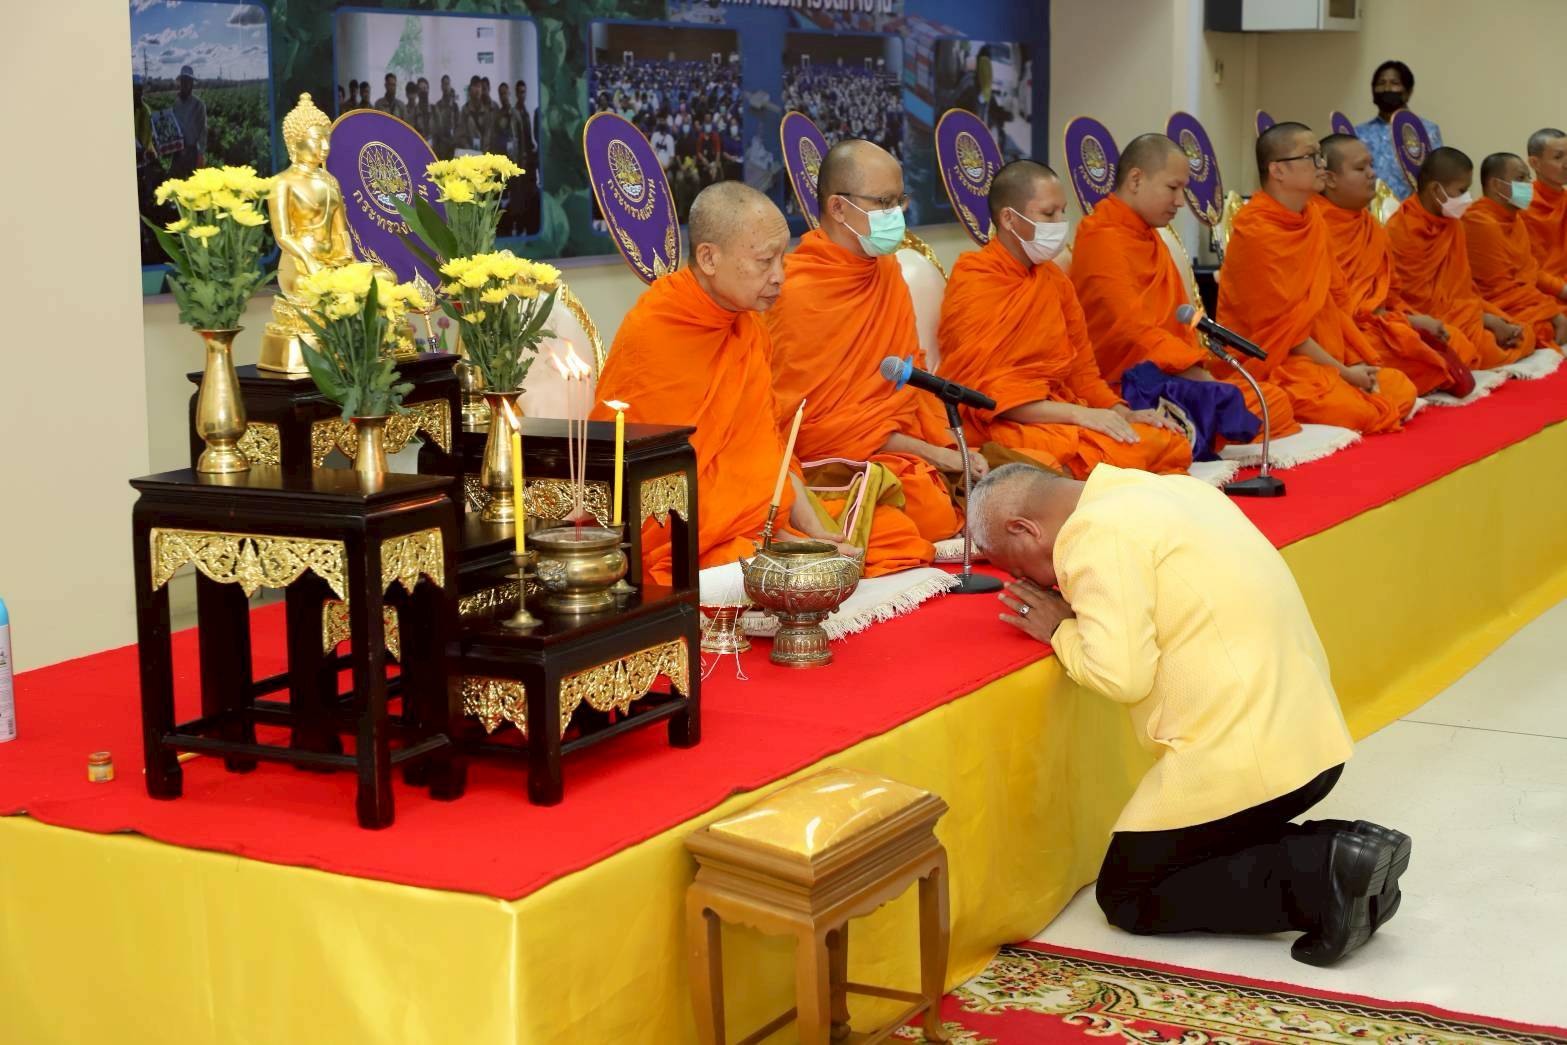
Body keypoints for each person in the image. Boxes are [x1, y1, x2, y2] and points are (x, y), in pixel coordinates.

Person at [968, 462, 1411, 967]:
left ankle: (1323, 869)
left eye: (1015, 567)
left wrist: (1058, 630)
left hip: (1245, 760)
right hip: (1312, 742)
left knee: (1130, 893)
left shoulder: (1094, 531)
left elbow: (1121, 676)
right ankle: (1358, 850)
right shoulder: (1176, 490)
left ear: (1025, 528)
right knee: (1198, 851)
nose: (1023, 580)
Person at [589, 183, 846, 584]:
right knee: (771, 571)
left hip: (751, 524)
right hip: (682, 537)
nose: (780, 277)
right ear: (709, 258)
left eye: (782, 258)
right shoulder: (655, 332)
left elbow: (767, 448)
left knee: (848, 552)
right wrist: (758, 530)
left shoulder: (748, 326)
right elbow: (643, 484)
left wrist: (812, 533)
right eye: (764, 261)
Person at [763, 139, 968, 576]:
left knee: (948, 504)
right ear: (838, 208)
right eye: (884, 203)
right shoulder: (795, 292)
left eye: (900, 201)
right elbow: (805, 430)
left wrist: (945, 448)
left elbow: (912, 379)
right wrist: (931, 455)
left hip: (894, 449)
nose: (898, 215)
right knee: (917, 524)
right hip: (829, 465)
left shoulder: (887, 273)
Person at [936, 160, 1192, 478]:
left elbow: (1082, 371)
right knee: (1088, 454)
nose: (1060, 224)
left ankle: (1072, 478)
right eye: (1048, 214)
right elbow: (985, 397)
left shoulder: (1054, 280)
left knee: (1166, 441)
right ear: (1009, 219)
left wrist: (1121, 413)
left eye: (1063, 212)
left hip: (1056, 415)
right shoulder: (976, 278)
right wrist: (1079, 416)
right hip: (998, 423)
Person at [1070, 133, 1297, 439]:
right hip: (1129, 386)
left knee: (1274, 400)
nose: (1180, 201)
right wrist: (1202, 378)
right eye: (1172, 188)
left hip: (1174, 375)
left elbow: (1178, 321)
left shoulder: (1148, 236)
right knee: (1246, 408)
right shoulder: (1101, 238)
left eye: (1183, 190)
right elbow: (1131, 332)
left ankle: (1208, 425)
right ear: (1136, 180)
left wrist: (1204, 375)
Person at [1216, 122, 1417, 434]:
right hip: (1278, 362)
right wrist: (1345, 374)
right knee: (1359, 411)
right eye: (1311, 156)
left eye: (1320, 156)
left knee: (1401, 388)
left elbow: (1335, 304)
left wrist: (1354, 359)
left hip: (1325, 354)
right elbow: (1287, 334)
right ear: (1278, 171)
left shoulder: (1312, 220)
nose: (1322, 164)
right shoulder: (1257, 231)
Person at [1315, 133, 1474, 397]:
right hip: (1343, 338)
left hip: (1379, 326)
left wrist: (1409, 320)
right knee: (1409, 364)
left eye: (1371, 165)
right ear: (1330, 179)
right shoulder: (1314, 227)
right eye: (1360, 168)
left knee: (1456, 342)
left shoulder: (1371, 227)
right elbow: (1327, 313)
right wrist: (1408, 323)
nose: (1372, 174)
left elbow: (1390, 298)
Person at [1386, 147, 1534, 369]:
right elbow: (1417, 303)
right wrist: (1487, 321)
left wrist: (1492, 318)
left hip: (1465, 312)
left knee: (1523, 331)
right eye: (1462, 190)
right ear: (1435, 189)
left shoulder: (1452, 225)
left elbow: (1465, 290)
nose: (1468, 199)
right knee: (1478, 348)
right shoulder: (1402, 231)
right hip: (1432, 321)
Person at [1463, 153, 1567, 349]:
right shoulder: (1480, 223)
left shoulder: (1516, 219)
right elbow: (1500, 288)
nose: (1528, 184)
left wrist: (1559, 296)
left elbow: (1530, 272)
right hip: (1500, 305)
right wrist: (1553, 313)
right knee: (1538, 330)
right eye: (1520, 178)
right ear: (1496, 185)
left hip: (1527, 299)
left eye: (1528, 177)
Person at [1354, 60, 1442, 200]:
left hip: (1412, 210)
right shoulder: (1359, 133)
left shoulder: (1427, 130)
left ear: (1408, 91)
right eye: (1381, 83)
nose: (1387, 88)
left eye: (1394, 83)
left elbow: (1436, 177)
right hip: (1369, 209)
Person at [1522, 128, 1567, 292]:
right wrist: (1561, 289)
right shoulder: (1521, 205)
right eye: (1558, 157)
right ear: (1535, 163)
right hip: (1540, 290)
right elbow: (1522, 265)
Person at [169, 65, 207, 180]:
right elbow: (173, 126)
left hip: (192, 152)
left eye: (188, 81)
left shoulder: (198, 105)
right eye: (183, 81)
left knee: (193, 183)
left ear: (192, 84)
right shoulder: (176, 104)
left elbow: (203, 132)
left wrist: (200, 154)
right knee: (176, 182)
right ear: (180, 83)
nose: (185, 84)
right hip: (177, 150)